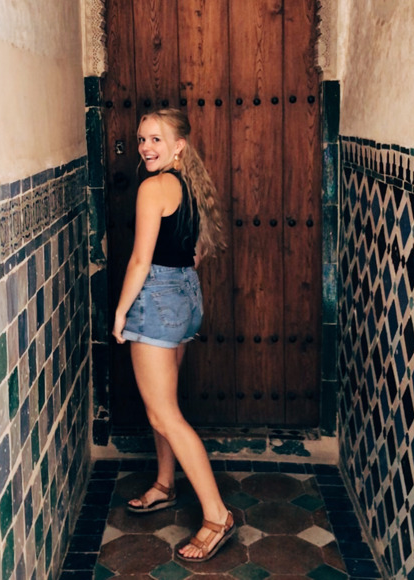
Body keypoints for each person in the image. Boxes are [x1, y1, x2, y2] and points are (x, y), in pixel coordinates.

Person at [112, 108, 234, 562]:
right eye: (142, 139)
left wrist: (121, 312)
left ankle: (217, 517)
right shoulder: (190, 184)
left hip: (157, 301)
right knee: (163, 405)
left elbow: (140, 261)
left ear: (178, 145)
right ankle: (165, 484)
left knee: (164, 414)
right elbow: (196, 252)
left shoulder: (153, 187)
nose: (145, 147)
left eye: (156, 139)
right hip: (185, 297)